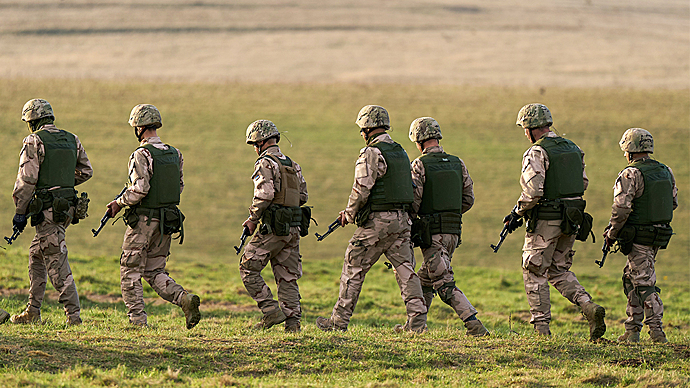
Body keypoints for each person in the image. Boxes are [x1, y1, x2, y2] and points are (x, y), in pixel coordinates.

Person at [316, 105, 427, 333]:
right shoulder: (400, 151)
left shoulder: (371, 152)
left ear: (367, 129)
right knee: (406, 270)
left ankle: (338, 322)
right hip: (401, 221)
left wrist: (349, 213)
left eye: (362, 130)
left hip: (377, 223)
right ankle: (417, 323)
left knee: (353, 265)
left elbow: (361, 188)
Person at [505, 103, 606, 339]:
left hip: (545, 222)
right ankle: (588, 306)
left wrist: (517, 213)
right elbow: (582, 184)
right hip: (572, 220)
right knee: (559, 270)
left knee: (534, 270)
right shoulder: (573, 148)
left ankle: (541, 330)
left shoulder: (537, 152)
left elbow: (533, 191)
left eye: (524, 129)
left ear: (530, 128)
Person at [106, 104, 200, 329]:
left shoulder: (142, 154)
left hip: (144, 222)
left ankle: (137, 321)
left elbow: (140, 189)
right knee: (154, 270)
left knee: (130, 269)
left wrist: (119, 203)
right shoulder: (175, 153)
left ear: (138, 128)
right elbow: (179, 186)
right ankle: (184, 299)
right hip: (167, 222)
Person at [10, 98, 93, 326]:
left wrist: (20, 211)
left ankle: (73, 317)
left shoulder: (34, 141)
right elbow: (86, 171)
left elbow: (27, 179)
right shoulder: (71, 138)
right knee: (37, 254)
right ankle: (32, 311)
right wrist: (63, 182)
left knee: (56, 263)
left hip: (47, 210)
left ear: (33, 121)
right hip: (66, 209)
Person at [407, 117, 488, 337]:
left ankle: (474, 325)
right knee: (425, 278)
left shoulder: (419, 165)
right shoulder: (457, 162)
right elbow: (468, 199)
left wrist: (415, 221)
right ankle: (415, 326)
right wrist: (449, 214)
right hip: (453, 232)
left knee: (444, 284)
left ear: (418, 140)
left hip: (432, 235)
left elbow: (414, 202)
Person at [604, 128, 677, 343]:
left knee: (643, 282)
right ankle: (632, 329)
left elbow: (621, 209)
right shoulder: (666, 171)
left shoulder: (630, 174)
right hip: (658, 235)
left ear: (629, 150)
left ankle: (656, 332)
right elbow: (673, 203)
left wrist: (612, 233)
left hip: (639, 236)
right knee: (631, 278)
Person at [239, 120, 308, 333]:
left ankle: (270, 310)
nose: (254, 148)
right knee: (287, 276)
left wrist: (252, 218)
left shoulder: (265, 163)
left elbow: (265, 194)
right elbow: (303, 196)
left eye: (254, 144)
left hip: (273, 228)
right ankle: (293, 324)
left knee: (247, 267)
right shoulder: (292, 164)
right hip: (293, 228)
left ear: (260, 142)